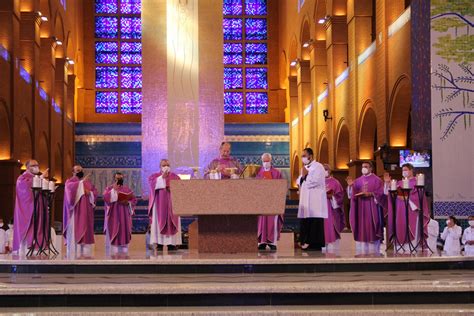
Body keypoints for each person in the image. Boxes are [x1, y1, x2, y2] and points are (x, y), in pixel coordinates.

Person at [384, 164, 430, 252]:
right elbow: (389, 195)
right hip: (399, 213)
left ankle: (412, 250)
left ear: (411, 171)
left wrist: (406, 199)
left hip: (411, 212)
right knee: (399, 229)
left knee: (410, 232)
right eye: (402, 170)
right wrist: (387, 184)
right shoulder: (398, 183)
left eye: (406, 170)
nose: (404, 172)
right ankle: (399, 250)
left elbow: (419, 199)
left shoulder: (416, 183)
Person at [346, 161, 384, 254]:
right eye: (363, 166)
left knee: (372, 226)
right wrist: (350, 186)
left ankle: (374, 252)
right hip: (361, 208)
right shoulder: (358, 180)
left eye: (366, 166)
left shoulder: (377, 180)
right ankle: (361, 251)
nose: (364, 168)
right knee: (361, 227)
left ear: (371, 168)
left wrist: (371, 194)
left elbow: (381, 194)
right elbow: (351, 195)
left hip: (372, 208)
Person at [12, 160, 48, 255]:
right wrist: (40, 179)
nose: (36, 167)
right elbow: (24, 191)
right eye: (33, 165)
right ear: (27, 167)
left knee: (38, 227)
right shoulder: (22, 178)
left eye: (37, 165)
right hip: (27, 210)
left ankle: (37, 248)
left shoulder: (37, 177)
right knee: (29, 228)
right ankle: (26, 249)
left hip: (38, 209)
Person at [63, 165, 98, 257]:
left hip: (86, 213)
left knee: (86, 232)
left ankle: (86, 255)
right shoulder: (70, 182)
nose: (80, 172)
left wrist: (89, 193)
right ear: (73, 172)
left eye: (81, 170)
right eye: (78, 170)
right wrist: (81, 185)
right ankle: (73, 253)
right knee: (75, 232)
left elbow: (95, 193)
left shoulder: (88, 183)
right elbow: (70, 193)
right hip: (76, 213)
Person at [297, 148, 327, 251]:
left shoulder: (318, 167)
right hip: (305, 199)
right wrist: (302, 177)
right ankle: (305, 241)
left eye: (304, 155)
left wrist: (306, 176)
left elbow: (315, 181)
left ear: (311, 156)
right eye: (302, 156)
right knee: (306, 220)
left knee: (314, 221)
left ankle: (314, 243)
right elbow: (298, 181)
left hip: (315, 200)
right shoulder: (305, 167)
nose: (303, 158)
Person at [148, 159, 182, 251]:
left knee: (172, 220)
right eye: (164, 165)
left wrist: (174, 189)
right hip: (159, 205)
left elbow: (181, 188)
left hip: (172, 204)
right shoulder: (154, 176)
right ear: (160, 167)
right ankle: (159, 243)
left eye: (167, 165)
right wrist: (162, 178)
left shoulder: (175, 177)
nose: (166, 167)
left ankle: (172, 243)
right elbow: (152, 185)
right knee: (159, 221)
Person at [103, 172, 137, 255]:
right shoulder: (109, 189)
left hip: (124, 216)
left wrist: (128, 202)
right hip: (114, 216)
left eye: (121, 178)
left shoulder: (127, 189)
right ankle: (113, 254)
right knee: (113, 249)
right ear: (114, 179)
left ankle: (125, 251)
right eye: (117, 178)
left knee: (124, 233)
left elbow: (133, 200)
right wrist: (114, 191)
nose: (119, 180)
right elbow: (106, 198)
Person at [256, 153, 284, 251]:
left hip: (273, 201)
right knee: (262, 222)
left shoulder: (277, 173)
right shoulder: (258, 172)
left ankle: (272, 243)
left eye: (267, 161)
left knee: (273, 222)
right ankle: (262, 242)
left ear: (271, 161)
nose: (266, 163)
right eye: (264, 161)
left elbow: (281, 186)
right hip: (262, 201)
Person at [322, 164, 345, 252]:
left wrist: (332, 196)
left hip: (331, 210)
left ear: (330, 170)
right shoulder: (318, 182)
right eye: (323, 169)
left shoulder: (335, 182)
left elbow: (340, 196)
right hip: (320, 210)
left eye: (326, 169)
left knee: (331, 228)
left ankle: (334, 249)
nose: (325, 171)